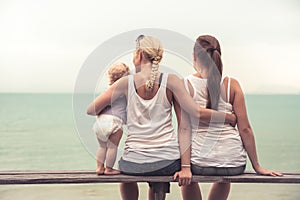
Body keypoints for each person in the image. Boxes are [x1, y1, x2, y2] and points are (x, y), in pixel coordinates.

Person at [86, 35, 236, 200]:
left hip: (134, 163)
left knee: (125, 170)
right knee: (159, 170)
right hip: (168, 161)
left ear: (140, 54)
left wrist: (116, 109)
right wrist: (185, 166)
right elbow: (184, 127)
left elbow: (91, 110)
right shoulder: (171, 81)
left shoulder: (124, 83)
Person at [181, 35, 283, 200]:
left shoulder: (185, 84)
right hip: (233, 163)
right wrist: (257, 166)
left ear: (194, 56)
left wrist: (185, 166)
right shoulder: (232, 84)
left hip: (199, 162)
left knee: (187, 178)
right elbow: (245, 129)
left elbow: (184, 128)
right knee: (224, 177)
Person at [92, 62, 129, 175]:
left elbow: (100, 106)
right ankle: (109, 169)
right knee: (112, 147)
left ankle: (99, 168)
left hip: (101, 121)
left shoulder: (107, 90)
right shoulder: (123, 91)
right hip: (114, 121)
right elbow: (127, 108)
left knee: (102, 147)